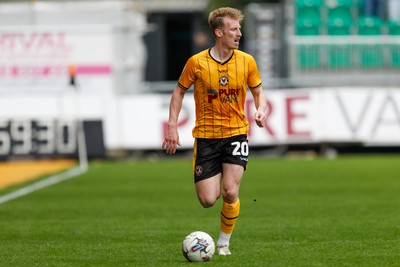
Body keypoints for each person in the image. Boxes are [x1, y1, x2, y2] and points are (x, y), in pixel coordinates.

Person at [162, 7, 267, 256]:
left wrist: (261, 110)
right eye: (234, 29)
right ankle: (217, 179)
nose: (239, 33)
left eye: (239, 29)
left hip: (236, 134)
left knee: (230, 191)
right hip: (206, 138)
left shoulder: (247, 61)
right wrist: (172, 126)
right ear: (219, 32)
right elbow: (179, 91)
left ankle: (223, 244)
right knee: (208, 200)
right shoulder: (196, 63)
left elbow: (259, 92)